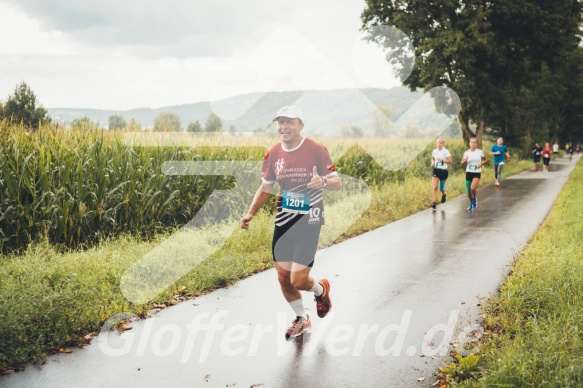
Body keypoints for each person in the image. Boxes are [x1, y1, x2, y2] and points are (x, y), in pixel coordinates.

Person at [240, 106, 342, 340]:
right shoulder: (273, 153)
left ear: (300, 125)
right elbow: (266, 187)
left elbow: (337, 182)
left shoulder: (316, 149)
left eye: (290, 122)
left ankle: (320, 290)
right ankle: (301, 319)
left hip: (309, 221)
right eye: (280, 122)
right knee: (283, 278)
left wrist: (323, 181)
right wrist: (250, 212)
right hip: (284, 222)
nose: (284, 127)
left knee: (298, 279)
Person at [461, 137, 488, 211]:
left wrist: (481, 164)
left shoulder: (480, 152)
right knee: (468, 191)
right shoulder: (466, 153)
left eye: (474, 142)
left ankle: (474, 198)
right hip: (468, 172)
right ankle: (471, 203)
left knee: (473, 188)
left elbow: (486, 159)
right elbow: (461, 164)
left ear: (477, 144)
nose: (472, 144)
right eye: (471, 142)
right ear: (469, 143)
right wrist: (465, 161)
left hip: (477, 172)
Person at [430, 137, 452, 209]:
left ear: (443, 144)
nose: (439, 144)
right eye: (438, 142)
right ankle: (434, 202)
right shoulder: (434, 151)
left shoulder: (446, 151)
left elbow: (450, 161)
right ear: (436, 143)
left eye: (441, 143)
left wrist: (442, 161)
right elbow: (433, 158)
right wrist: (433, 163)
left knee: (441, 188)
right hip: (436, 170)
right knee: (435, 187)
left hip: (443, 171)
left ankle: (444, 194)